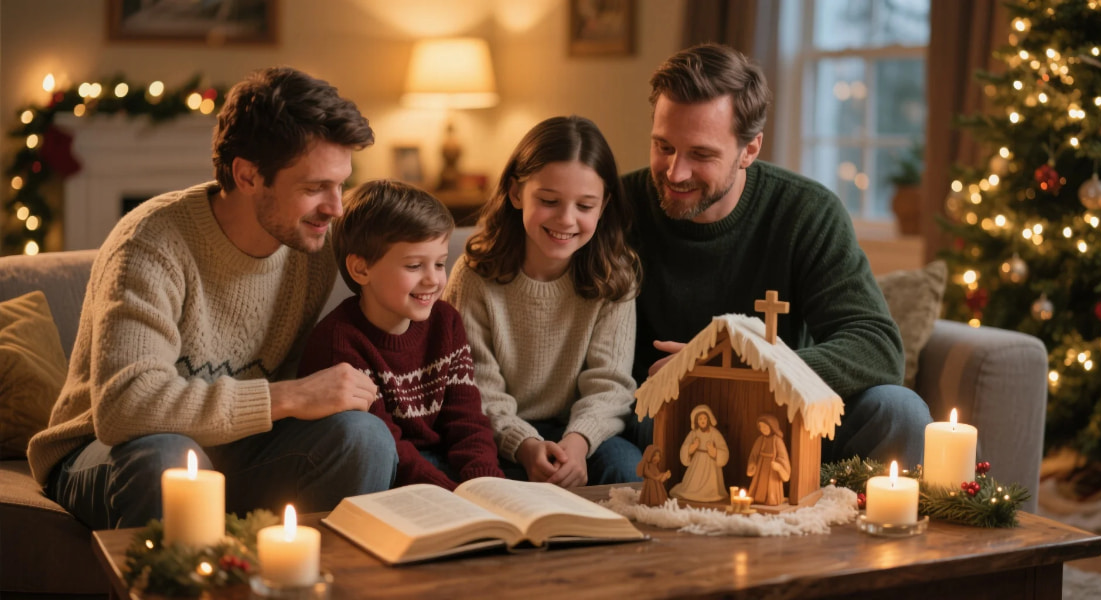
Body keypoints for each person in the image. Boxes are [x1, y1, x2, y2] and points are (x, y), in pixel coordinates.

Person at [27, 67, 397, 530]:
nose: (335, 207)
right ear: (247, 176)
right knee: (166, 458)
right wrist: (288, 396)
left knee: (365, 438)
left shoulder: (312, 246)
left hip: (234, 446)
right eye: (313, 187)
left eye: (340, 184)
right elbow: (125, 409)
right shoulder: (150, 242)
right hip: (107, 450)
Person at [622, 43, 932, 469]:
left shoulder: (806, 211)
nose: (675, 172)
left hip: (786, 419)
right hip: (663, 421)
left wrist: (745, 368)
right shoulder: (617, 207)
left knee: (900, 411)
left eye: (701, 154)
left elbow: (877, 347)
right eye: (663, 147)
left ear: (750, 149)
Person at [443, 115, 643, 488]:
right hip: (494, 430)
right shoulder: (474, 275)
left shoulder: (615, 276)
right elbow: (475, 386)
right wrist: (525, 445)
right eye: (549, 200)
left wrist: (578, 444)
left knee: (628, 473)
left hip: (580, 433)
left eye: (585, 206)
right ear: (517, 193)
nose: (566, 220)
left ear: (604, 204)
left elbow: (610, 385)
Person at [297, 180, 504, 490]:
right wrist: (450, 494)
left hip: (441, 464)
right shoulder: (339, 343)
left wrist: (487, 485)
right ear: (361, 270)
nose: (433, 279)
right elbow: (384, 444)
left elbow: (467, 422)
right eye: (414, 265)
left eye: (439, 263)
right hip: (386, 470)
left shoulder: (446, 322)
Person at [669, 404, 728, 502]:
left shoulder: (715, 433)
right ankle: (693, 491)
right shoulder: (693, 433)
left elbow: (723, 449)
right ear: (696, 421)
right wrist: (692, 447)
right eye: (700, 419)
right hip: (697, 462)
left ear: (708, 419)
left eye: (704, 418)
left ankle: (710, 493)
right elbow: (685, 448)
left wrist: (714, 451)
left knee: (711, 483)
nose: (703, 421)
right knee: (693, 483)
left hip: (711, 464)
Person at [746, 415, 790, 506]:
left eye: (765, 426)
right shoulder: (760, 440)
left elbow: (783, 457)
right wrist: (752, 464)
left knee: (771, 487)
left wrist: (779, 466)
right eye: (761, 427)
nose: (763, 429)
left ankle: (771, 500)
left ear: (772, 427)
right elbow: (753, 455)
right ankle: (757, 498)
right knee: (759, 485)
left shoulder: (777, 441)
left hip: (772, 470)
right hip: (760, 468)